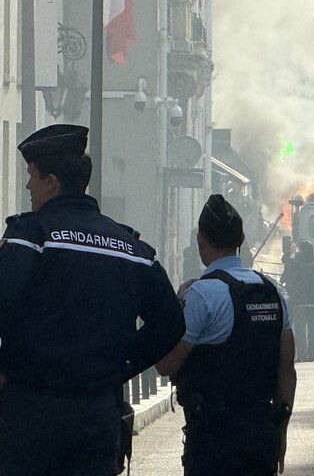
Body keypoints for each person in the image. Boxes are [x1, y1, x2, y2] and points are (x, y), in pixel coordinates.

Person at [0, 124, 185, 476]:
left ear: (51, 182)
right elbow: (171, 322)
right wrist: (121, 364)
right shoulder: (131, 248)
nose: (27, 187)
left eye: (31, 175)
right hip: (99, 411)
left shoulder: (31, 235)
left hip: (31, 411)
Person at [156, 194, 296, 476]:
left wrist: (177, 306)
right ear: (241, 239)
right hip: (261, 436)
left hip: (213, 441)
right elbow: (286, 371)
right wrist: (280, 434)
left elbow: (166, 365)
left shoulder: (201, 295)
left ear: (200, 240)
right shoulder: (272, 292)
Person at [281, 239, 314, 361]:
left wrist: (288, 253)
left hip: (299, 299)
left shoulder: (295, 264)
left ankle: (302, 354)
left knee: (300, 327)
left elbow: (286, 274)